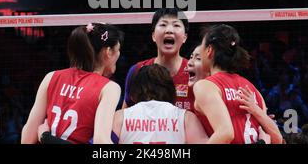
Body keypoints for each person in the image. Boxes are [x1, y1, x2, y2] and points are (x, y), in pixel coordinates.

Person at [38, 64, 208, 144]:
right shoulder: (186, 118)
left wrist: (46, 137)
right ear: (170, 90)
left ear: (134, 92)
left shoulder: (120, 118)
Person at [21, 23, 123, 144]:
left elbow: (27, 138)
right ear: (108, 52)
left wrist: (46, 137)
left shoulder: (51, 77)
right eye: (118, 49)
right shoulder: (109, 88)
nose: (119, 54)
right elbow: (101, 141)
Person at [193, 24, 283, 144]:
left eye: (202, 47)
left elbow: (225, 133)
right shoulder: (252, 89)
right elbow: (277, 139)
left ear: (209, 50)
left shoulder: (205, 86)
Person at [123, 8, 193, 111]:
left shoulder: (195, 72)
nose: (169, 30)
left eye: (176, 25)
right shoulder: (137, 70)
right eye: (163, 25)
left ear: (185, 37)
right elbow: (125, 114)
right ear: (153, 36)